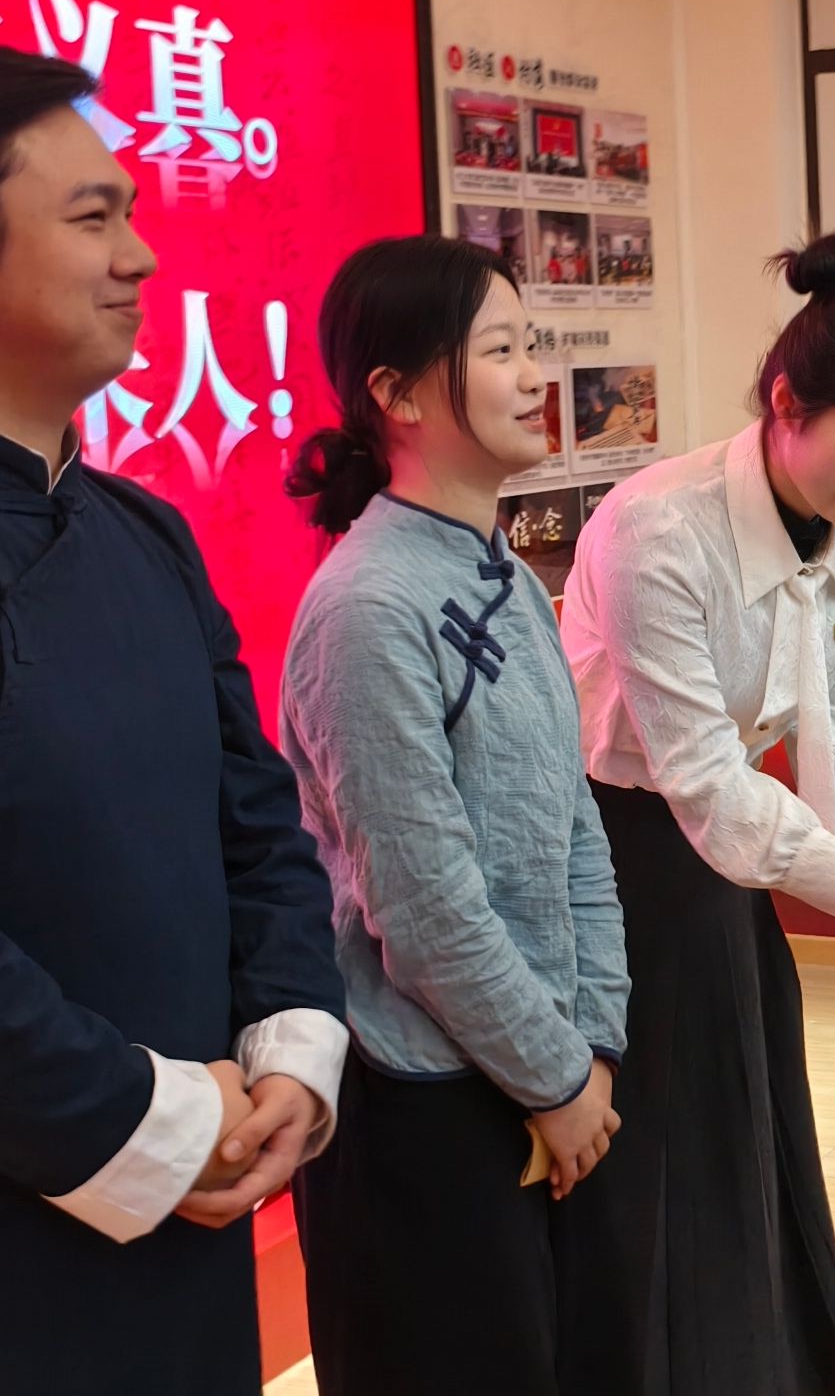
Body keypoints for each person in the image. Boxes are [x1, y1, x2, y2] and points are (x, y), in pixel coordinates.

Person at [556, 233, 835, 1395]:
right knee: (662, 1143)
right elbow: (700, 780)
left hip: (729, 849)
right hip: (613, 850)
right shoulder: (658, 530)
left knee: (754, 1126)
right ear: (787, 406)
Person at [0, 48, 347, 1394]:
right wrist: (145, 1121)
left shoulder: (147, 532)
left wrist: (290, 1054)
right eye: (93, 218)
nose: (140, 257)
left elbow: (257, 821)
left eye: (133, 213)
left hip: (201, 1189)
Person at [278, 236, 630, 1395]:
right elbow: (423, 907)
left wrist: (592, 1051)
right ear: (395, 393)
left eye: (532, 345)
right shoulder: (366, 605)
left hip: (541, 1081)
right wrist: (556, 1080)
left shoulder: (504, 573)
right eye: (500, 350)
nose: (535, 376)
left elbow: (576, 829)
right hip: (423, 1102)